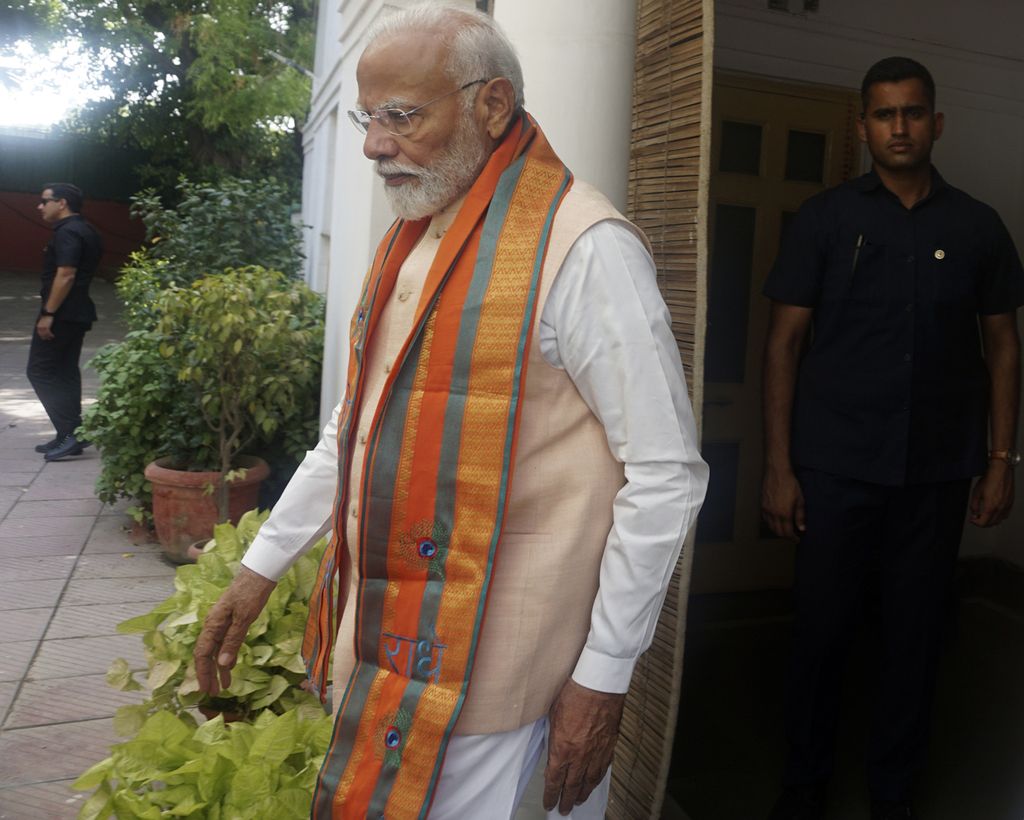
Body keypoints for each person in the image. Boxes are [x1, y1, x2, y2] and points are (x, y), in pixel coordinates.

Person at [194, 5, 708, 819]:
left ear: (491, 105)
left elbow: (666, 475)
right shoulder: (418, 234)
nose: (371, 144)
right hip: (390, 651)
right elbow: (354, 429)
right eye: (368, 118)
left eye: (401, 116)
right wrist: (261, 566)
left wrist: (603, 676)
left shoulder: (585, 247)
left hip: (507, 684)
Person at [762, 56, 1024, 820]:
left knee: (915, 639)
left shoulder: (977, 227)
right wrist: (778, 466)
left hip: (938, 472)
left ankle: (894, 791)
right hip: (836, 468)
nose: (900, 127)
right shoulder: (826, 220)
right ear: (864, 126)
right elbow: (782, 344)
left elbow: (1003, 344)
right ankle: (803, 785)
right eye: (885, 114)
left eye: (913, 113)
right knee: (821, 632)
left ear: (936, 123)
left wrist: (1001, 461)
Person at [29, 182, 102, 462]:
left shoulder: (68, 232)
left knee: (40, 371)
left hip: (62, 314)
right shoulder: (86, 229)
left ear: (62, 204)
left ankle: (70, 433)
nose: (40, 206)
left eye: (44, 200)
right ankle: (70, 433)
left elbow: (66, 275)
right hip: (77, 312)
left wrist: (48, 314)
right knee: (65, 371)